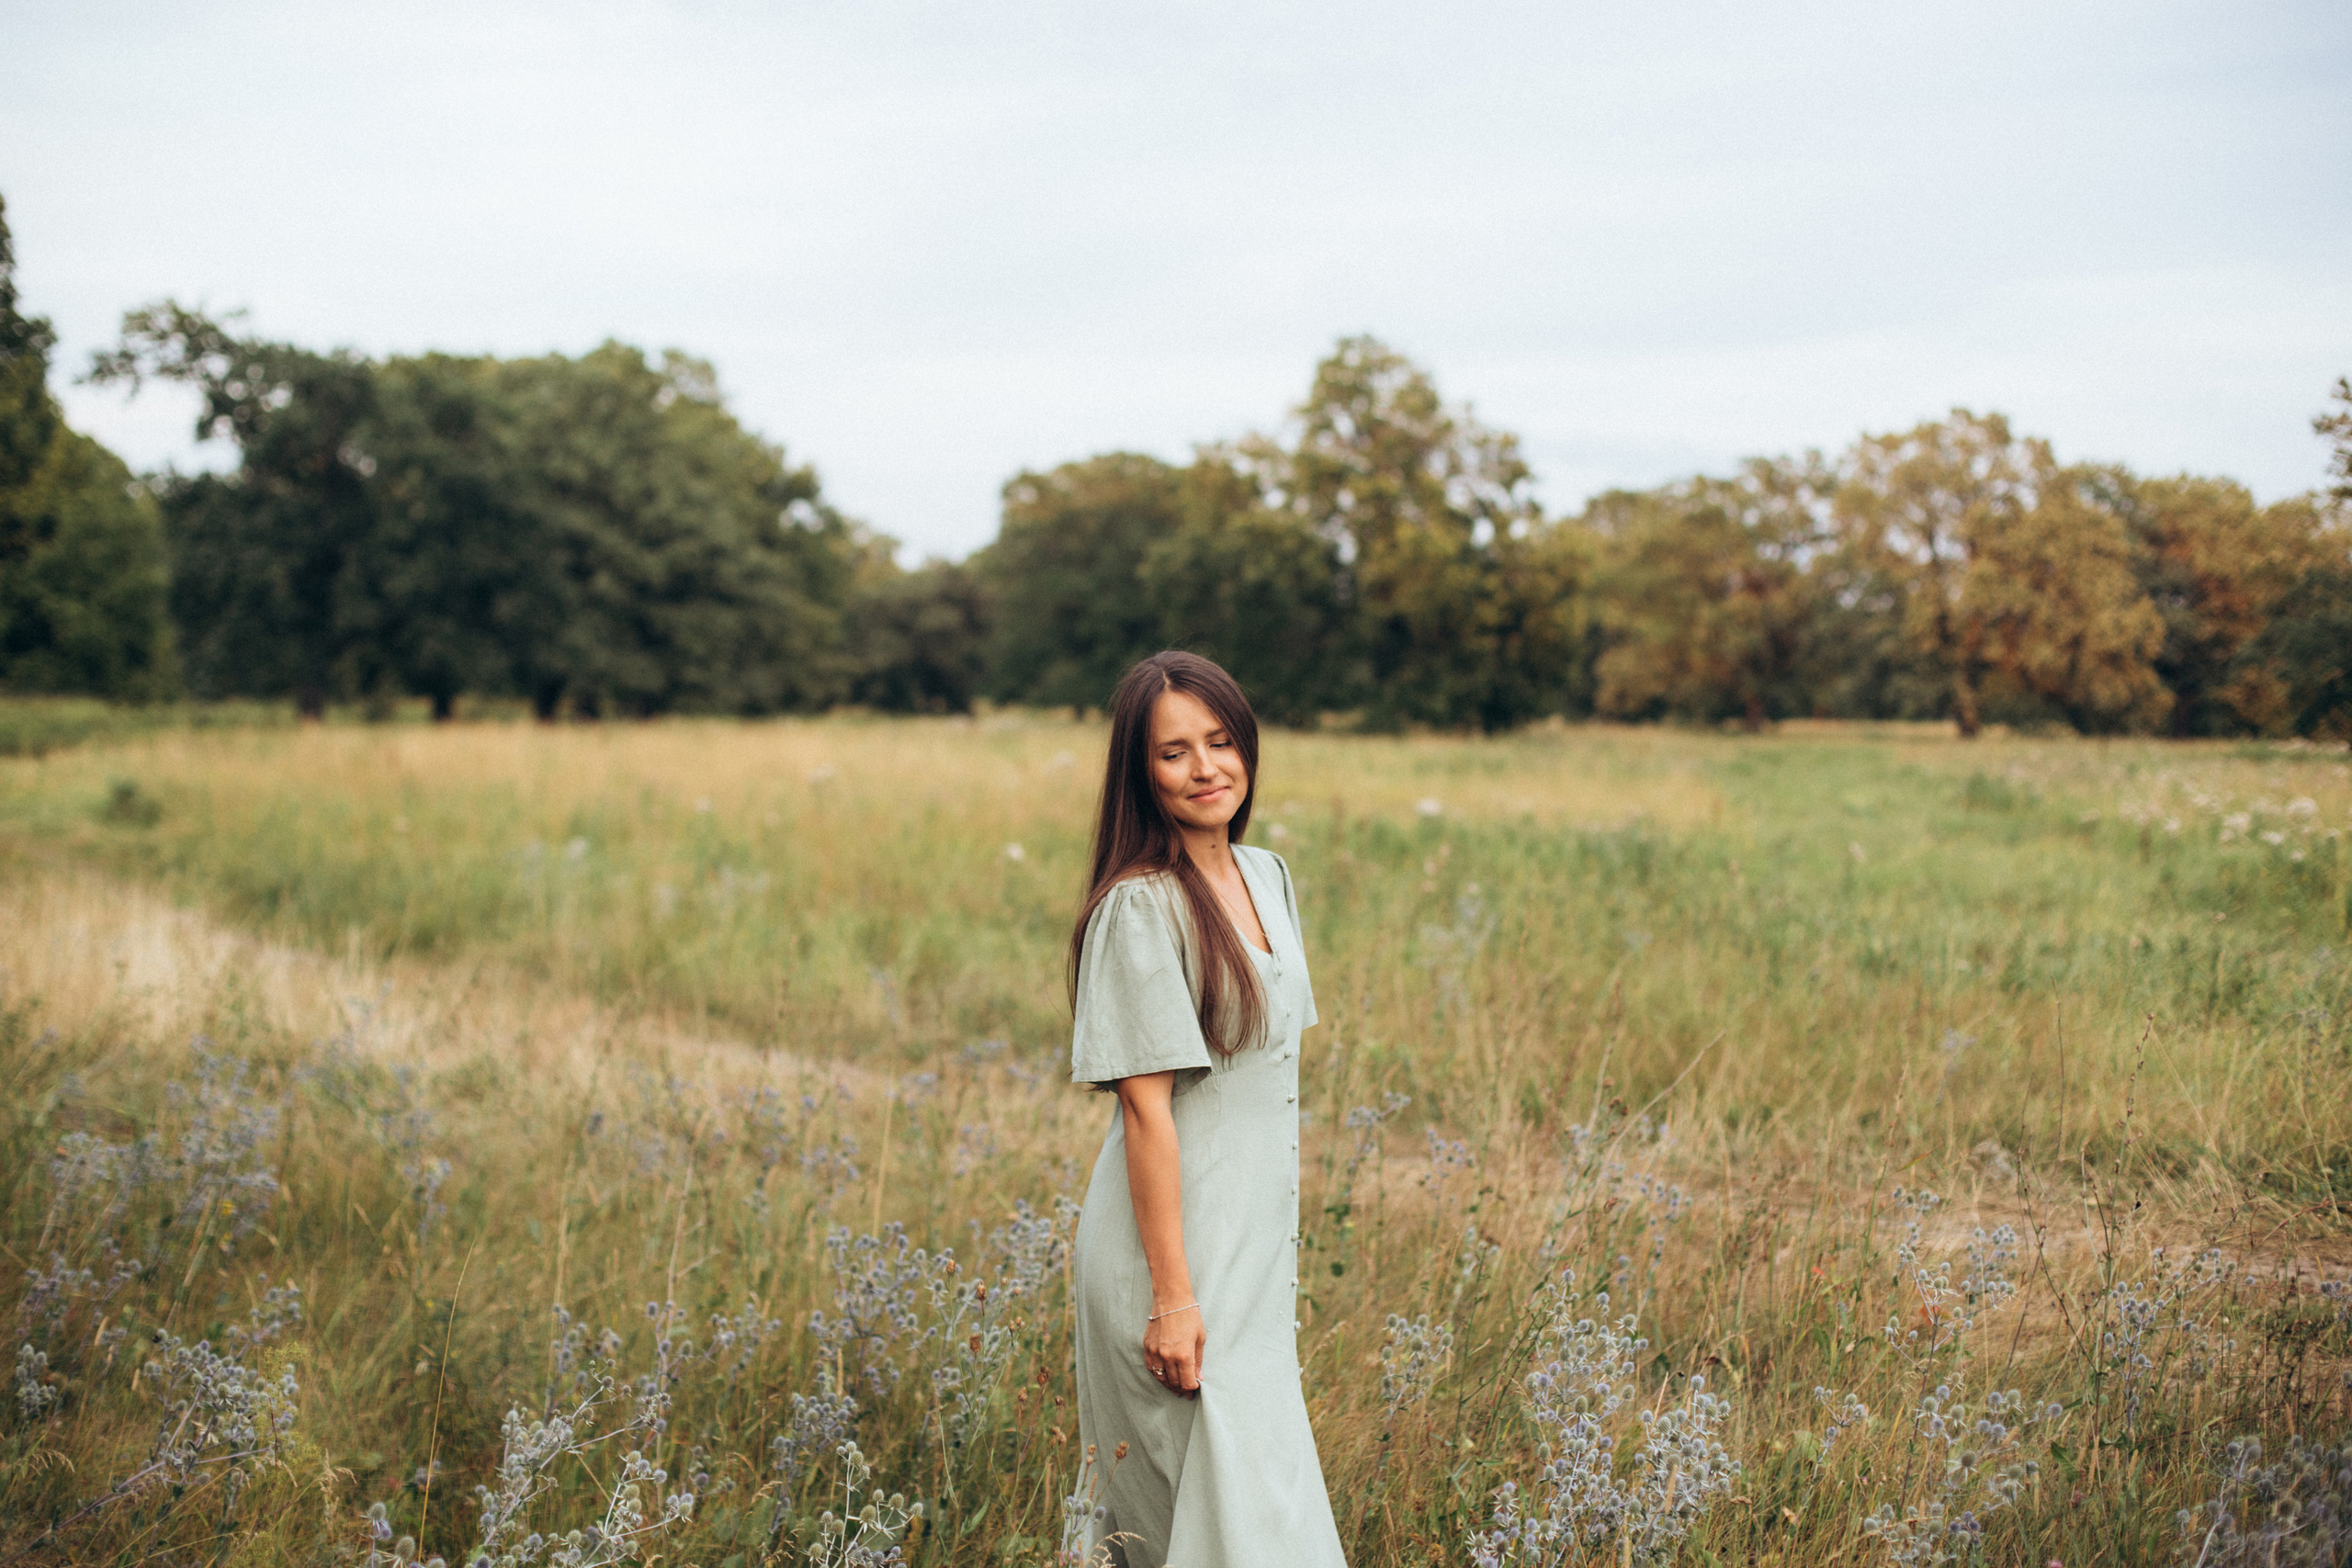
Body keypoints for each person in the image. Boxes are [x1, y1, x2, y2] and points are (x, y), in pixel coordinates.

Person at [1067, 650, 1348, 1568]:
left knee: (1259, 1516)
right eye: (1173, 752)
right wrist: (1172, 1299)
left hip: (1253, 1251)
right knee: (1207, 1531)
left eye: (1221, 742)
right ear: (1140, 772)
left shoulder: (1268, 875)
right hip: (1172, 1261)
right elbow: (1146, 1115)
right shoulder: (1139, 908)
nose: (1205, 769)